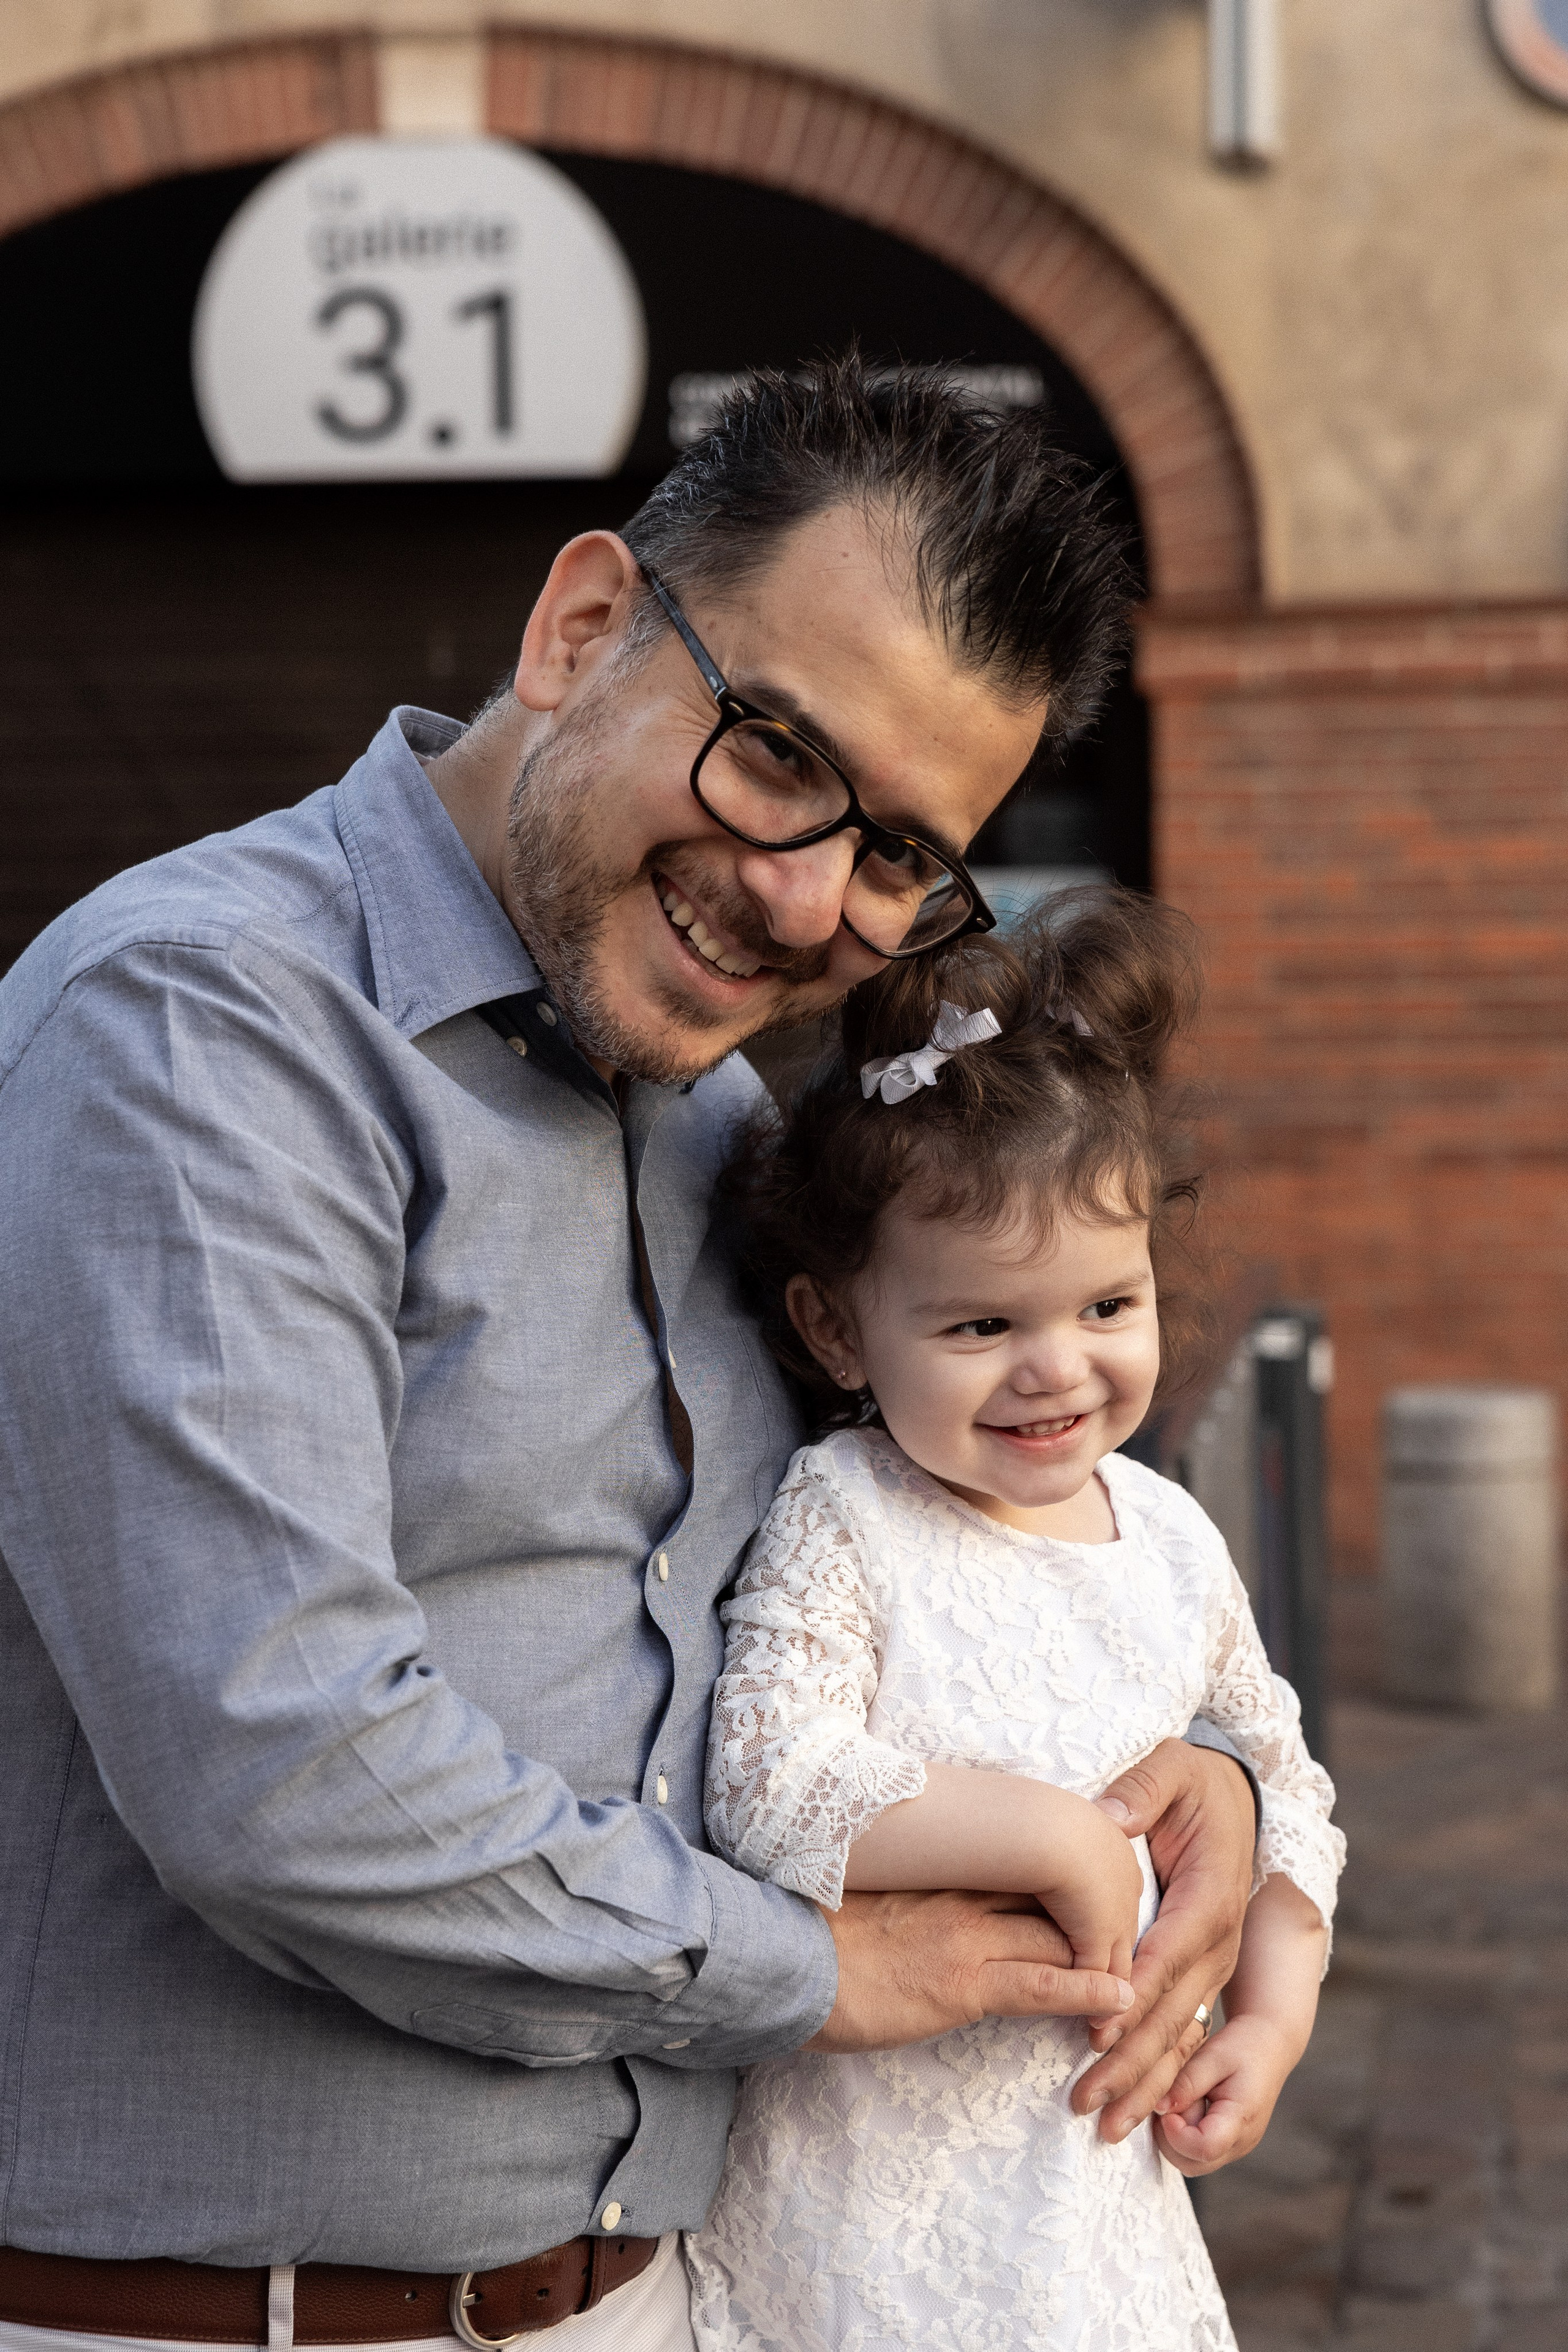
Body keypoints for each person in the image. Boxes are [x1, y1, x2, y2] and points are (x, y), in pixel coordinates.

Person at [0, 361, 1258, 2352]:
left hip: (672, 2299)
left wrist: (1226, 1798)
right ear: (584, 624)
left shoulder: (734, 1140)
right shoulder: (199, 1023)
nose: (805, 898)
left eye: (902, 858)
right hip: (213, 2318)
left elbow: (943, 1561)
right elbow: (285, 1765)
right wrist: (828, 1969)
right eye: (774, 753)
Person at [685, 889, 1346, 2348]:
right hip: (862, 2204)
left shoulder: (1163, 1533)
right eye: (981, 1326)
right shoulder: (843, 1513)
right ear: (834, 1328)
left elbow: (1280, 1780)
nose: (1055, 1371)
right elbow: (767, 1784)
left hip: (1089, 2209)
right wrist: (1051, 1834)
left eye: (1105, 1307)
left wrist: (1269, 2017)